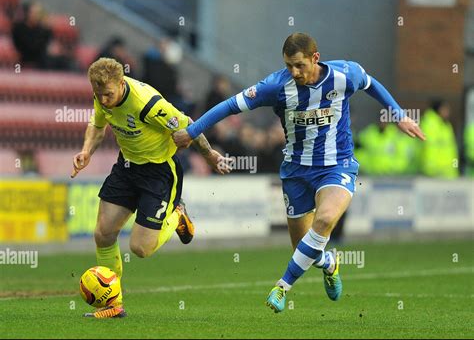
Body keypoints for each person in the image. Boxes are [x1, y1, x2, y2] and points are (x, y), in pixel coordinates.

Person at [172, 33, 425, 313]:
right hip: (296, 172)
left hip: (337, 165)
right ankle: (329, 263)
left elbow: (371, 83)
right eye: (289, 66)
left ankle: (282, 286)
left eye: (299, 65)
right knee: (304, 248)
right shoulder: (275, 86)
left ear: (315, 58)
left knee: (326, 219)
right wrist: (192, 131)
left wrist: (398, 114)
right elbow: (230, 105)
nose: (294, 72)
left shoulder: (344, 75)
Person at [71, 58, 231, 318]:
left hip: (158, 173)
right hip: (126, 168)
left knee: (140, 249)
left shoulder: (147, 104)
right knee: (103, 233)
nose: (103, 100)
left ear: (121, 84)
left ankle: (177, 215)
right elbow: (97, 126)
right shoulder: (102, 95)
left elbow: (188, 125)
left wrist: (211, 156)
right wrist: (86, 150)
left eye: (108, 95)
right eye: (98, 95)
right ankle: (113, 304)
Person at [419, 100, 459, 179]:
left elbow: (452, 149)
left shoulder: (446, 125)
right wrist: (431, 167)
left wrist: (455, 166)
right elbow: (429, 147)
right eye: (445, 109)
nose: (448, 112)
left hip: (448, 172)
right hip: (434, 172)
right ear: (439, 109)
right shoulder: (429, 123)